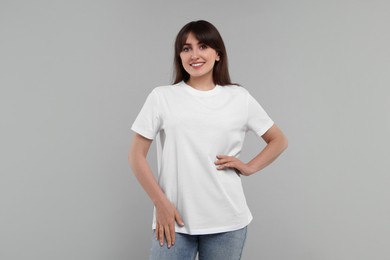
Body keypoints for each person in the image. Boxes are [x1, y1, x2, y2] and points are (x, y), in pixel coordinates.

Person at [128, 20, 288, 260]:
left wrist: (249, 167)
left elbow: (278, 140)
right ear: (179, 56)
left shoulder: (238, 97)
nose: (194, 55)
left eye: (202, 46)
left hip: (227, 222)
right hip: (173, 220)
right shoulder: (162, 97)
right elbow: (136, 156)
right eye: (186, 48)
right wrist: (160, 203)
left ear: (217, 54)